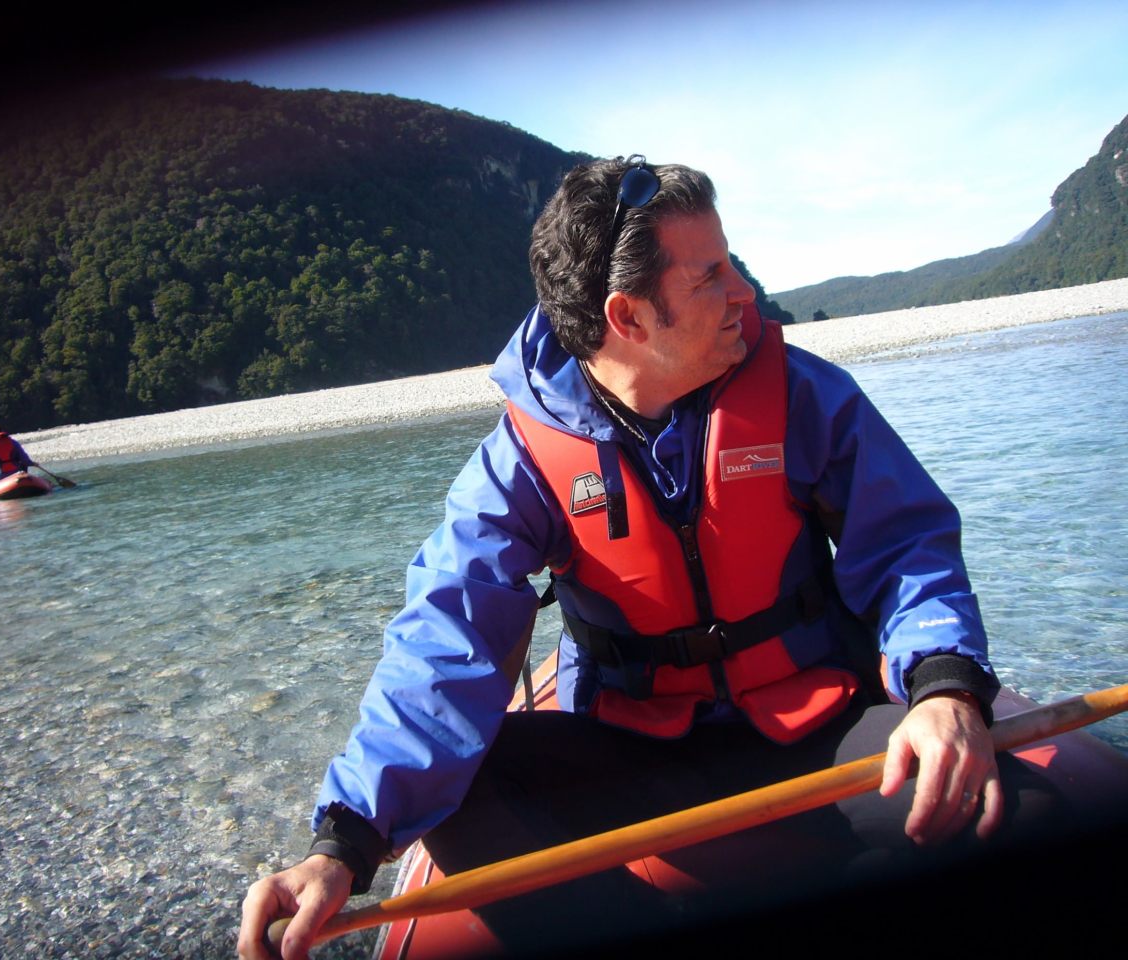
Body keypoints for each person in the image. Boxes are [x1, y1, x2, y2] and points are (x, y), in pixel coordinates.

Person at [238, 157, 1058, 959]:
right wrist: (343, 842)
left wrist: (945, 688)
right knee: (464, 802)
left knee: (1025, 811)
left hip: (818, 725)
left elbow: (907, 545)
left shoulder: (806, 396)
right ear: (628, 317)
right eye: (710, 277)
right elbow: (444, 638)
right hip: (633, 756)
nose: (745, 292)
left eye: (732, 261)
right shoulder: (521, 463)